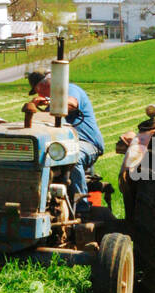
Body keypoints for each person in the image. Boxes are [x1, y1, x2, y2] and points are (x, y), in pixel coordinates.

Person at [25, 70, 104, 206]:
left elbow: (71, 104)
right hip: (61, 148)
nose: (38, 94)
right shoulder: (50, 106)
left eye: (37, 90)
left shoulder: (71, 90)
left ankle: (82, 206)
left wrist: (49, 100)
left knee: (75, 156)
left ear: (45, 84)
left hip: (87, 143)